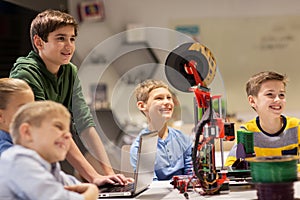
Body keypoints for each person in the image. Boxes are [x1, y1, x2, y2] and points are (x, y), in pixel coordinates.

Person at [9, 9, 131, 185]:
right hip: (19, 156)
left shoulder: (69, 71)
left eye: (72, 39)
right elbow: (51, 127)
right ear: (39, 42)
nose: (69, 46)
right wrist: (94, 176)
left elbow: (85, 122)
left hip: (45, 151)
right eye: (60, 38)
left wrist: (109, 173)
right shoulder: (26, 73)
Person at [0, 101, 98, 200]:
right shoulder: (18, 160)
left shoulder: (49, 166)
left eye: (68, 131)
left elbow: (71, 185)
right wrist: (91, 194)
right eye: (58, 126)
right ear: (27, 132)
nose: (68, 135)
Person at [225, 71, 300, 170]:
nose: (278, 99)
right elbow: (231, 166)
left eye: (281, 95)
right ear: (252, 101)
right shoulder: (247, 131)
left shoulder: (296, 126)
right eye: (270, 94)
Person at [130, 79, 193, 180]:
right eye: (159, 98)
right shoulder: (139, 148)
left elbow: (191, 175)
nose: (167, 102)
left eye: (169, 98)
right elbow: (152, 185)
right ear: (142, 106)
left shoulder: (183, 139)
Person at [0, 78, 34, 155]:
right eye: (23, 109)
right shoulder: (8, 152)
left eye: (32, 108)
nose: (32, 114)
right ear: (0, 116)